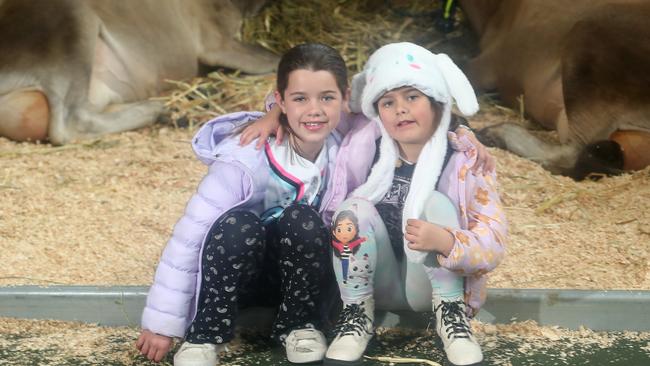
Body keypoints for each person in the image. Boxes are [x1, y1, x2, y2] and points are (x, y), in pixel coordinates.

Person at [135, 43, 351, 365]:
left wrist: (275, 112)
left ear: (345, 99)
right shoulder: (246, 154)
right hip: (237, 282)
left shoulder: (347, 149)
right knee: (239, 225)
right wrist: (162, 324)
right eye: (300, 98)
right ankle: (206, 335)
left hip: (301, 288)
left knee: (302, 220)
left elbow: (383, 97)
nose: (315, 109)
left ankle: (301, 327)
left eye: (327, 98)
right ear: (280, 100)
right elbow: (190, 236)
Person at [320, 42, 508, 366]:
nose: (400, 109)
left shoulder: (465, 163)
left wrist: (447, 241)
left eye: (412, 97)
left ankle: (453, 320)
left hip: (431, 286)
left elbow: (494, 243)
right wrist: (271, 113)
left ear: (436, 102)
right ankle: (355, 318)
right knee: (352, 210)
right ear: (377, 111)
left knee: (432, 201)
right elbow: (314, 106)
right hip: (376, 283)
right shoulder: (366, 147)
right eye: (388, 102)